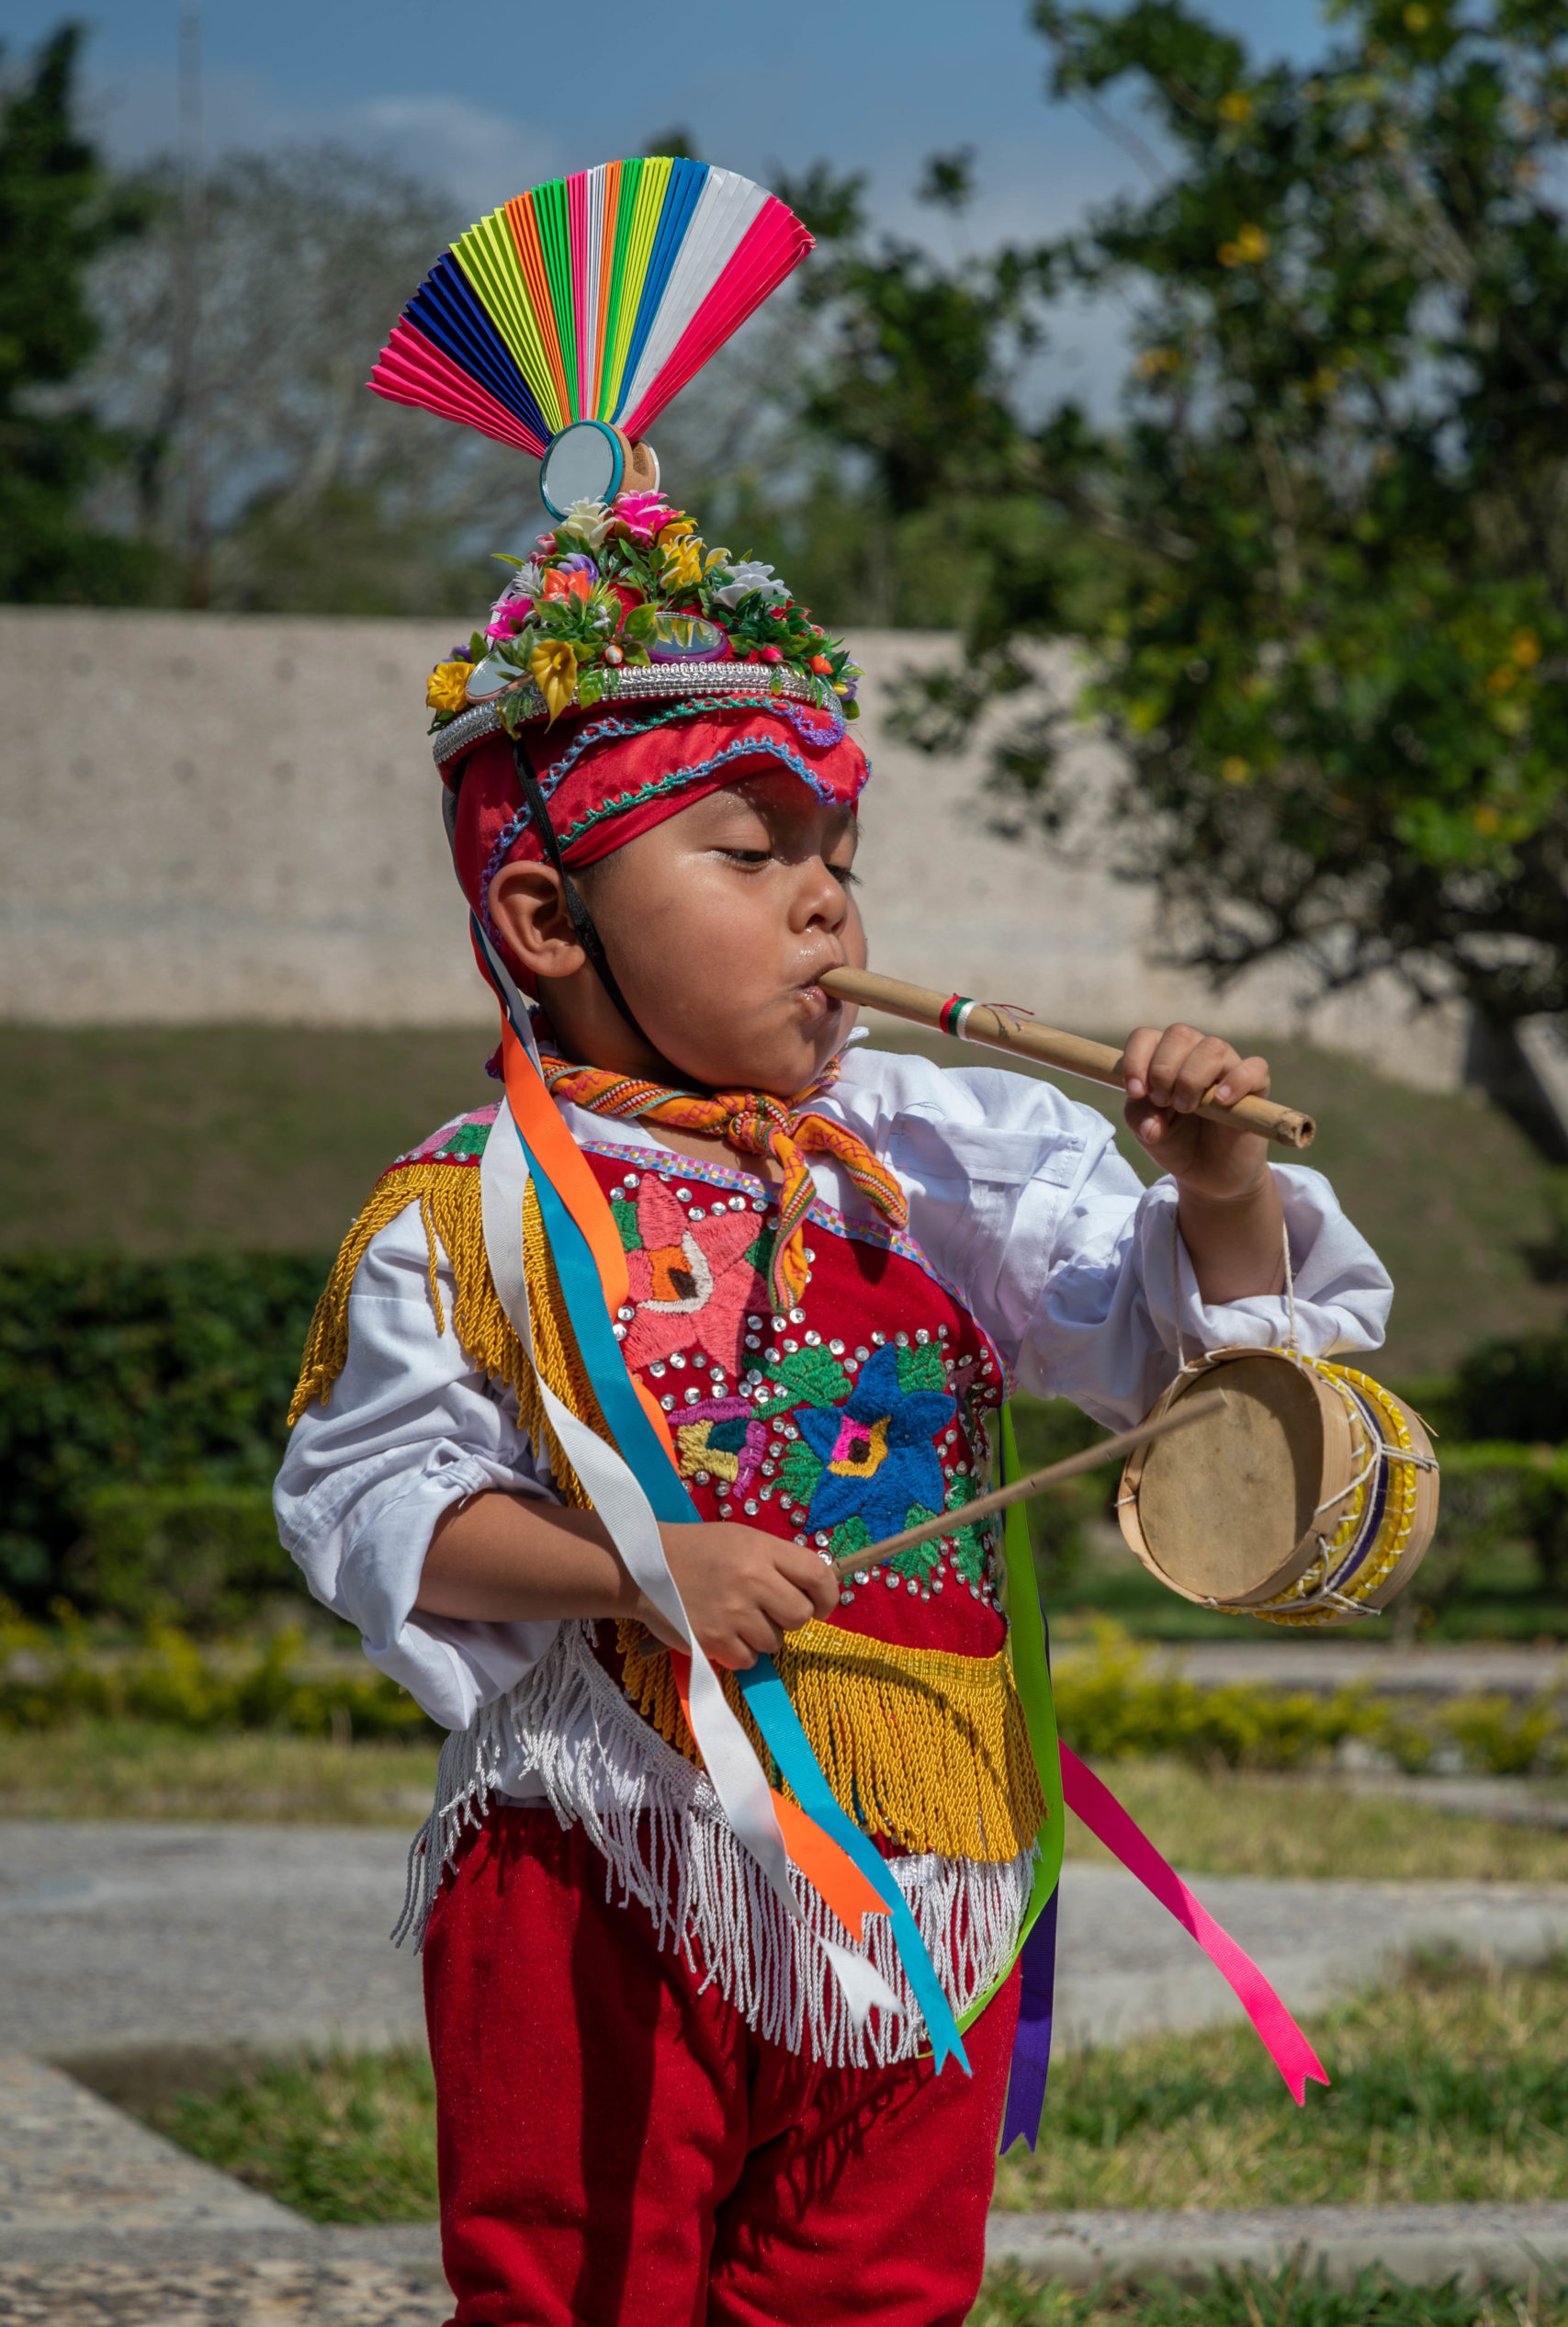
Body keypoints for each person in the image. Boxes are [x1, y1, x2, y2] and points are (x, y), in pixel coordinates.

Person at [276, 485, 1392, 2327]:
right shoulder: (466, 1209)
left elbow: (1192, 1372)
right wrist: (641, 1568)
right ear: (548, 916)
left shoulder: (934, 1158)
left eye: (835, 853)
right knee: (583, 2280)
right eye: (747, 853)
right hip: (610, 1856)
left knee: (872, 2288)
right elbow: (372, 1496)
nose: (821, 898)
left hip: (927, 1863)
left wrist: (1208, 1185)